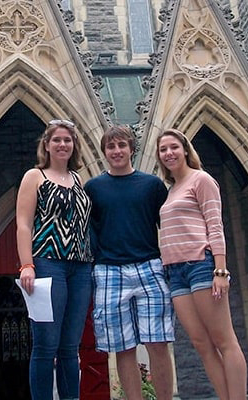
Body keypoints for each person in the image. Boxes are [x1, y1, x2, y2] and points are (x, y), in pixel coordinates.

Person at [156, 128, 247, 400]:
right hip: (176, 272)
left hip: (201, 265)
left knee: (224, 340)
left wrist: (220, 270)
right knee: (201, 343)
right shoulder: (171, 190)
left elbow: (215, 226)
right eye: (163, 150)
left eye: (174, 147)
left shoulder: (202, 180)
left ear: (185, 149)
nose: (169, 153)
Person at [84, 125, 175, 400]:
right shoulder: (93, 188)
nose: (117, 151)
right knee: (122, 347)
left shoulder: (152, 185)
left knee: (157, 343)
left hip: (149, 266)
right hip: (109, 270)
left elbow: (168, 225)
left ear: (131, 149)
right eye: (111, 147)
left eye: (122, 146)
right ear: (104, 153)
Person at [16, 119, 92, 400]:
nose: (62, 145)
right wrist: (27, 264)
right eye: (57, 140)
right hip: (48, 262)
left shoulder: (79, 180)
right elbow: (23, 223)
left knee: (71, 345)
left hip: (81, 266)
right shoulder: (35, 176)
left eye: (68, 140)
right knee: (46, 344)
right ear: (46, 145)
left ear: (74, 146)